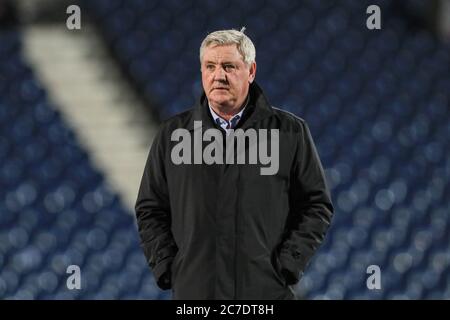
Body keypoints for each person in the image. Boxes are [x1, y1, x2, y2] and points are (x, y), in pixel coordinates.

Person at [135, 28, 334, 300]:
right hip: (196, 296)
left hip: (267, 295)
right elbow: (150, 208)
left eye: (229, 66)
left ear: (251, 71)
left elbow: (316, 204)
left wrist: (289, 265)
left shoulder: (290, 132)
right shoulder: (172, 135)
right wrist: (169, 267)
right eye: (210, 66)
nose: (219, 76)